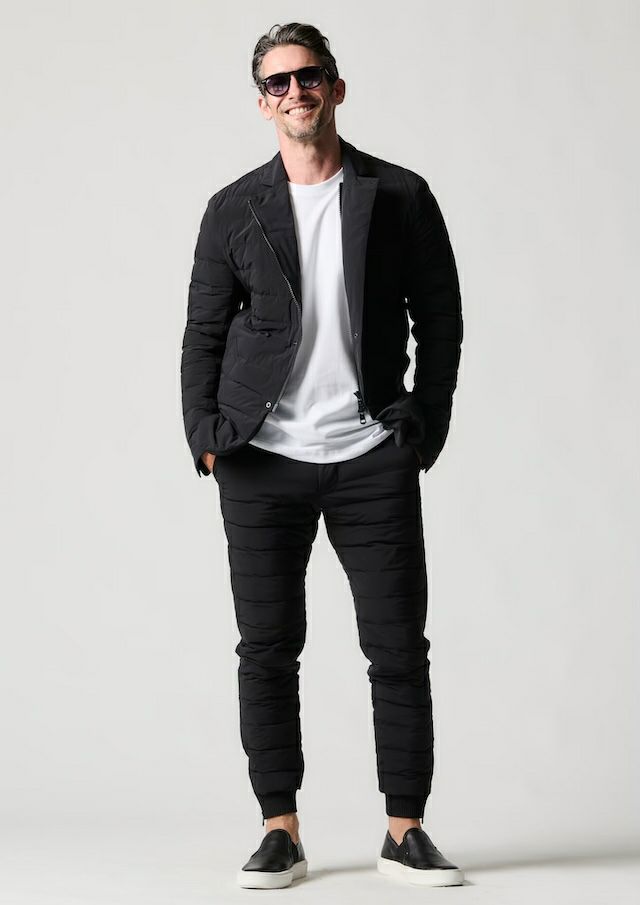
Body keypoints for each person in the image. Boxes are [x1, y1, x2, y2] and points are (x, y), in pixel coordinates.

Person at [180, 21, 464, 889]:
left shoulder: (400, 195)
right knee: (267, 647)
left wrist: (423, 426)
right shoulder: (234, 208)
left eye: (309, 77)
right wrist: (207, 441)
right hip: (261, 460)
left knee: (398, 647)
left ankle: (406, 830)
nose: (295, 92)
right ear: (262, 103)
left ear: (336, 88)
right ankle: (281, 829)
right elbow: (201, 333)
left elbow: (441, 318)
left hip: (372, 452)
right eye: (278, 82)